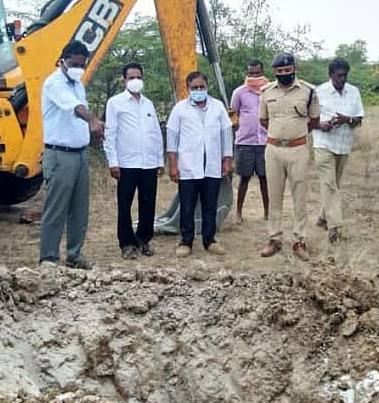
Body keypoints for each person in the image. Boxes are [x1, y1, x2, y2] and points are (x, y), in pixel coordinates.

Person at [39, 41, 104, 268]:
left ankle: (74, 255)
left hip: (79, 154)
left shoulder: (77, 84)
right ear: (63, 60)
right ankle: (49, 258)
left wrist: (94, 131)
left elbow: (77, 116)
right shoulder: (54, 83)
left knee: (79, 209)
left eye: (82, 65)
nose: (78, 68)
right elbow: (75, 107)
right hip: (60, 155)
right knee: (56, 209)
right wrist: (93, 120)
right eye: (74, 64)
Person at [258, 52, 319, 260]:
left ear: (294, 68)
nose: (284, 73)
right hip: (274, 150)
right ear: (274, 72)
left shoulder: (309, 91)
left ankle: (299, 240)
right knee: (274, 196)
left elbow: (314, 120)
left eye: (287, 70)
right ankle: (274, 239)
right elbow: (263, 121)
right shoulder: (265, 92)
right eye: (280, 71)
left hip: (298, 150)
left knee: (299, 197)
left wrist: (295, 134)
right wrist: (280, 135)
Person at [166, 71, 233, 257]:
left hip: (211, 164)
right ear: (188, 88)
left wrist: (227, 159)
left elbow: (226, 134)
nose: (198, 90)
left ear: (207, 86)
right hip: (188, 165)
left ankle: (210, 240)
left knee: (210, 204)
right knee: (187, 205)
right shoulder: (180, 109)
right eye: (194, 88)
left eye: (201, 87)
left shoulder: (217, 107)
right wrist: (172, 165)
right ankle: (186, 241)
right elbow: (172, 137)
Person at [103, 62, 164, 259]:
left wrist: (159, 160)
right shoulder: (115, 103)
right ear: (124, 80)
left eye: (138, 77)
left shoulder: (148, 104)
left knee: (148, 203)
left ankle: (144, 239)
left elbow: (155, 133)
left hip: (148, 163)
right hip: (126, 164)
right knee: (125, 204)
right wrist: (113, 161)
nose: (135, 81)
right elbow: (110, 134)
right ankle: (127, 243)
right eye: (131, 77)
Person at [312, 58, 365, 244]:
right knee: (328, 184)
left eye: (345, 75)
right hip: (323, 143)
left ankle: (323, 217)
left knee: (334, 184)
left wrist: (347, 120)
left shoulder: (354, 92)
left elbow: (359, 119)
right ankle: (334, 227)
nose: (342, 79)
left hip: (343, 144)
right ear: (330, 75)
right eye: (339, 75)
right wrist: (321, 124)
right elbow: (309, 120)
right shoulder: (319, 92)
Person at [230, 59, 269, 224]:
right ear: (247, 73)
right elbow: (233, 115)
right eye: (251, 73)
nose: (254, 76)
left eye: (257, 73)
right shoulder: (239, 92)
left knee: (264, 178)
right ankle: (238, 212)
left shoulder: (269, 91)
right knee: (244, 178)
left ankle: (268, 212)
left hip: (265, 142)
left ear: (262, 72)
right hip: (244, 142)